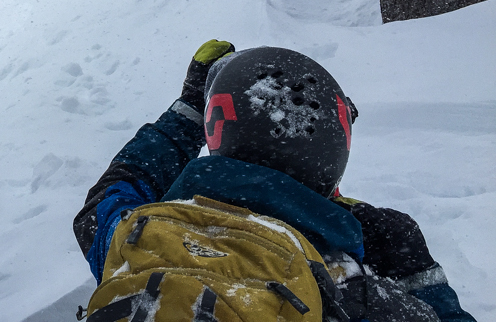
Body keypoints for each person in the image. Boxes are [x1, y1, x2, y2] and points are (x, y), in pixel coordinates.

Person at [74, 41, 476, 322]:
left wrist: (189, 109)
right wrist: (416, 276)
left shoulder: (137, 236)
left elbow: (114, 190)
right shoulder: (355, 291)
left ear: (219, 130)